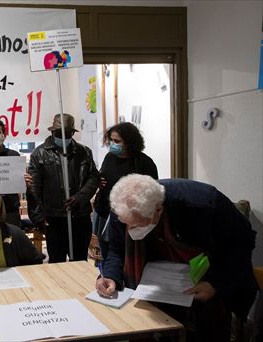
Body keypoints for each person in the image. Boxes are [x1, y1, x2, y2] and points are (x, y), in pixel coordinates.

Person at [96, 174, 257, 341]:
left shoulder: (203, 204)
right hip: (157, 287)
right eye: (125, 223)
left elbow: (242, 243)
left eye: (135, 225)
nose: (128, 230)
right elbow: (116, 249)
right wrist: (110, 276)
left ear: (158, 210)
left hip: (208, 277)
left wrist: (215, 283)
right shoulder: (122, 208)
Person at [27, 113, 99, 263]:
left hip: (80, 215)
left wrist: (80, 198)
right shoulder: (39, 154)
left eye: (67, 133)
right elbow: (33, 187)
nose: (63, 137)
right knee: (56, 260)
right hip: (54, 218)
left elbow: (93, 177)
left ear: (72, 133)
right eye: (59, 133)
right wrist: (38, 217)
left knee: (80, 259)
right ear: (52, 132)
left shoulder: (84, 152)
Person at [93, 122, 158, 262]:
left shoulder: (144, 163)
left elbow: (152, 193)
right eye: (111, 140)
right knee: (108, 254)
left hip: (131, 219)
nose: (112, 144)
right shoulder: (109, 158)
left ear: (129, 142)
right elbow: (103, 176)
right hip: (105, 213)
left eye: (117, 141)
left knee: (128, 257)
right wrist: (98, 181)